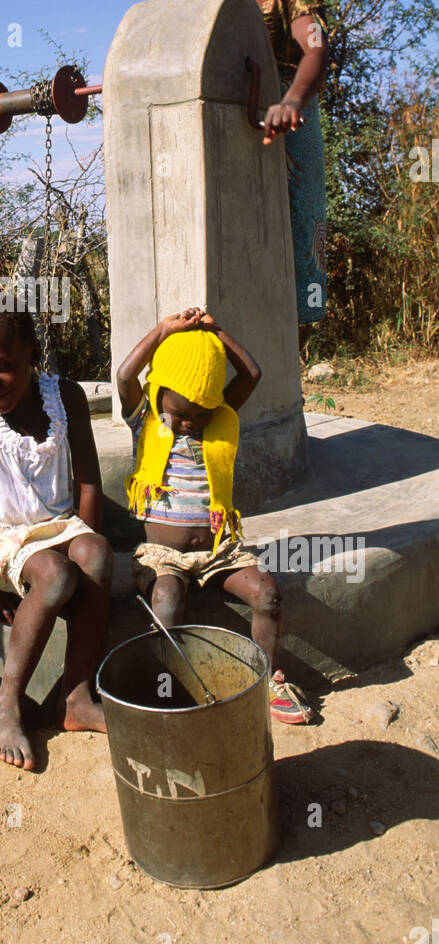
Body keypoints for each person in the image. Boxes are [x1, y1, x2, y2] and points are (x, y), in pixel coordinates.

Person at [116, 307, 312, 724]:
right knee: (166, 601)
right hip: (162, 556)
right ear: (160, 390)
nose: (189, 423)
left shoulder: (220, 419)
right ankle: (168, 690)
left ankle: (264, 681)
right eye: (182, 412)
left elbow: (252, 374)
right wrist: (165, 330)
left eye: (199, 415)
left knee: (268, 595)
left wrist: (216, 332)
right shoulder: (147, 420)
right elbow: (124, 376)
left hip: (221, 552)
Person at [0, 310, 113, 771]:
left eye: (2, 366)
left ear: (32, 356)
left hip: (57, 525)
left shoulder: (66, 397)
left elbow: (89, 483)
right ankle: (7, 703)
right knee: (54, 577)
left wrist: (86, 549)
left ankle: (76, 695)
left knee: (96, 553)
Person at [206, 0, 328, 323]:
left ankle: (286, 370)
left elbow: (315, 46)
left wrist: (292, 99)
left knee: (290, 239)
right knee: (232, 238)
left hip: (283, 123)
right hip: (228, 122)